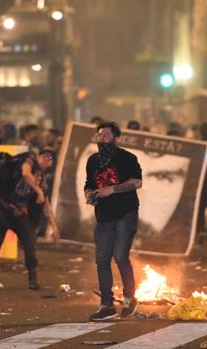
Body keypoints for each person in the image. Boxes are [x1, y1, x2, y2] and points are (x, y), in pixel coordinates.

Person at [0, 150, 58, 291]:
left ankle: (33, 280)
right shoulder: (29, 160)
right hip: (1, 207)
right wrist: (38, 191)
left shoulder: (42, 180)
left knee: (29, 242)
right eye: (46, 157)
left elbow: (46, 206)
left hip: (17, 213)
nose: (48, 162)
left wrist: (54, 227)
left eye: (51, 159)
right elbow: (25, 173)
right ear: (39, 157)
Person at [84, 121, 142, 321]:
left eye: (107, 135)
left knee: (120, 256)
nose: (102, 139)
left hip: (125, 213)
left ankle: (129, 298)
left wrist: (112, 189)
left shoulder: (126, 158)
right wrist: (89, 195)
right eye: (100, 135)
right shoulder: (93, 161)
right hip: (104, 216)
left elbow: (137, 182)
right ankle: (106, 305)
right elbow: (88, 184)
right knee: (101, 260)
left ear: (117, 138)